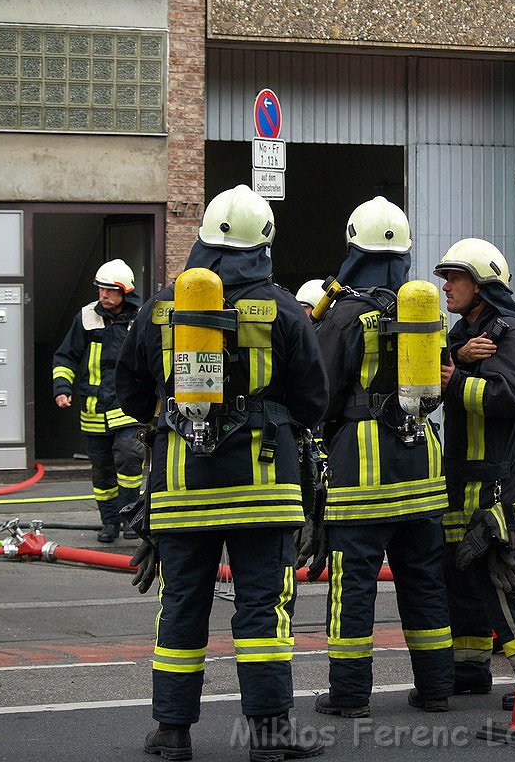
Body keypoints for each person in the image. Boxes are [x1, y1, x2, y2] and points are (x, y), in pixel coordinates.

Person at [115, 185, 329, 760]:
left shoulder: (160, 308)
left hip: (182, 488)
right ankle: (269, 734)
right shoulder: (284, 308)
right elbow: (314, 400)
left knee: (183, 602)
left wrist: (177, 423)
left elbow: (129, 391)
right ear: (263, 245)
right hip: (265, 489)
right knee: (263, 606)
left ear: (204, 240)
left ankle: (173, 732)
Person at [310, 196, 454, 718]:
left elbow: (319, 393)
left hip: (361, 475)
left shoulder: (346, 313)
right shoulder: (421, 309)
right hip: (421, 467)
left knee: (354, 588)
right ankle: (437, 689)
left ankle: (349, 697)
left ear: (354, 248)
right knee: (424, 583)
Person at [434, 238, 515, 710]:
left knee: (502, 582)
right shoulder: (465, 336)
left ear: (482, 285)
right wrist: (460, 362)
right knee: (463, 582)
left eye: (455, 277)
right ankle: (471, 671)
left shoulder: (510, 332)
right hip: (465, 483)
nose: (446, 286)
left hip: (498, 488)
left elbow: (511, 396)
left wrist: (457, 379)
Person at [52, 259, 145, 543]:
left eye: (109, 291)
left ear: (125, 292)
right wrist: (61, 387)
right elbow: (66, 356)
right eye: (100, 290)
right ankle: (110, 523)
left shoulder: (140, 319)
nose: (103, 296)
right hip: (94, 409)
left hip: (128, 408)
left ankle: (131, 518)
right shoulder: (86, 317)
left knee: (129, 459)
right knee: (102, 470)